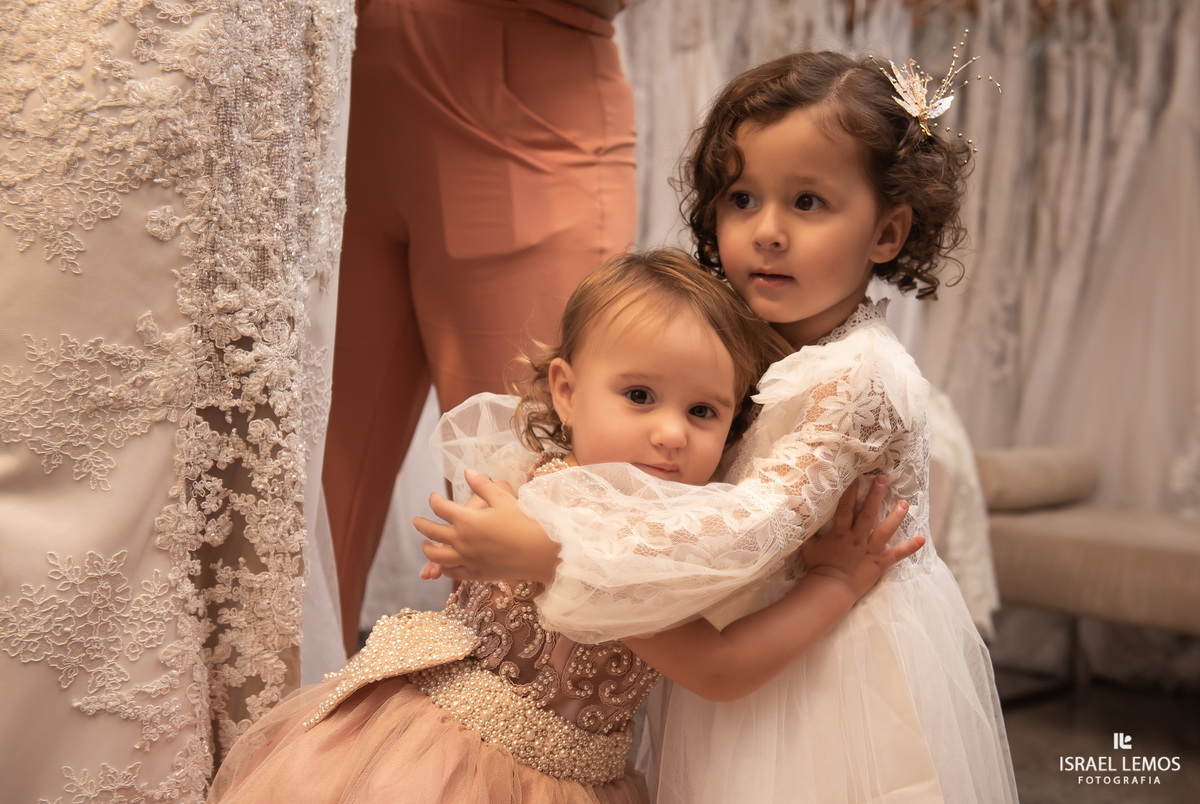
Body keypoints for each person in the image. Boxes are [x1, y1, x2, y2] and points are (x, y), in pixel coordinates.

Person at [416, 50, 1019, 802]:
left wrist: (551, 547)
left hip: (836, 665)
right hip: (749, 640)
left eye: (808, 203)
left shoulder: (861, 372)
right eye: (741, 198)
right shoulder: (757, 340)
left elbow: (748, 524)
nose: (767, 231)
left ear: (888, 232)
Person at [208, 249, 921, 803]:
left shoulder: (607, 504)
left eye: (704, 412)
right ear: (568, 392)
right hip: (467, 765)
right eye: (639, 396)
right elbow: (718, 668)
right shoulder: (580, 523)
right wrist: (834, 581)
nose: (671, 433)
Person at [324, 0, 639, 654]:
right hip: (331, 91)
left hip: (527, 82)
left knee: (528, 507)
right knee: (301, 532)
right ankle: (276, 751)